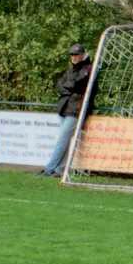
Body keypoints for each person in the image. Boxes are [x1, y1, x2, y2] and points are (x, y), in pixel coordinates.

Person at [40, 43, 93, 177]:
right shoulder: (72, 68)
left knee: (62, 140)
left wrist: (68, 87)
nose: (73, 57)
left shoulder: (88, 68)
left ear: (82, 55)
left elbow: (76, 84)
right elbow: (59, 84)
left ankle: (49, 169)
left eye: (76, 54)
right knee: (65, 141)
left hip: (77, 109)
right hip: (65, 107)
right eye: (72, 54)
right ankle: (59, 170)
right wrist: (68, 88)